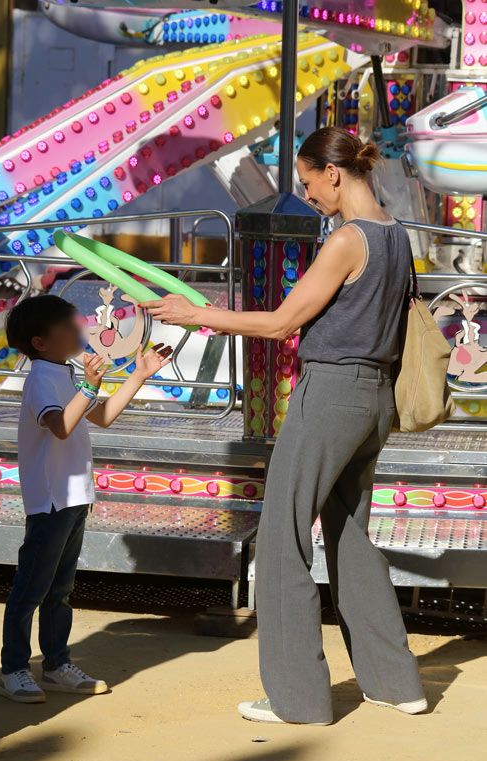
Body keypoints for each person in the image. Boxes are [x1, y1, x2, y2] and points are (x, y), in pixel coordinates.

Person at [140, 126, 427, 725]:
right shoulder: (397, 234)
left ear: (335, 174)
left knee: (281, 537)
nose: (308, 193)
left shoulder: (347, 240)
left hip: (331, 394)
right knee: (349, 536)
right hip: (375, 400)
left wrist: (197, 312)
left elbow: (280, 323)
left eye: (307, 181)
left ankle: (298, 698)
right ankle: (397, 683)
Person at [0, 295, 171, 703]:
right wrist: (88, 385)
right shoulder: (43, 377)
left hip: (74, 498)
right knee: (32, 589)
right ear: (40, 342)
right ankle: (14, 669)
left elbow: (104, 414)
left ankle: (56, 664)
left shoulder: (64, 372)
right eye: (68, 326)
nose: (80, 330)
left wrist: (139, 374)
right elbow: (59, 425)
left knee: (60, 589)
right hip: (51, 501)